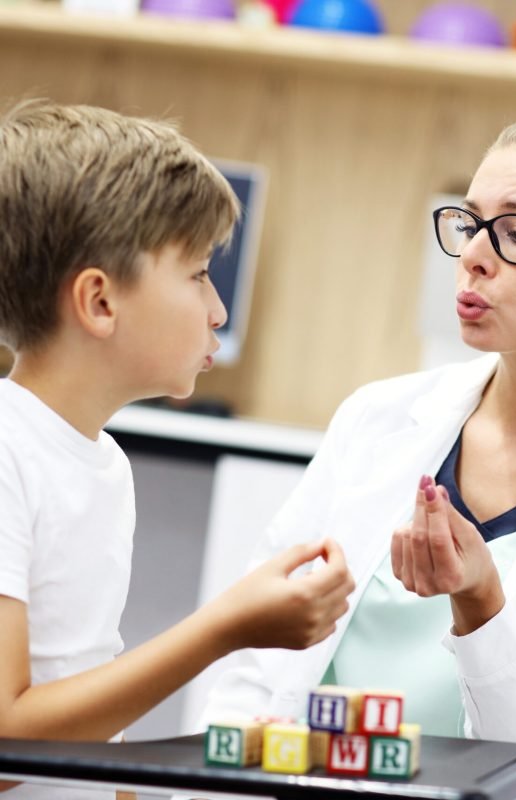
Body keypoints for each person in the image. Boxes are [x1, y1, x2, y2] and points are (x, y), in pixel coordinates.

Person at [199, 113, 516, 800]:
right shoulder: (379, 419)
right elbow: (257, 662)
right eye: (470, 223)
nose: (474, 254)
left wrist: (482, 604)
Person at [0, 99, 355, 800]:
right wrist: (224, 627)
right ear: (100, 303)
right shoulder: (8, 452)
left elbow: (81, 692)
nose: (218, 309)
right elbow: (9, 743)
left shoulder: (102, 463)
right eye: (196, 274)